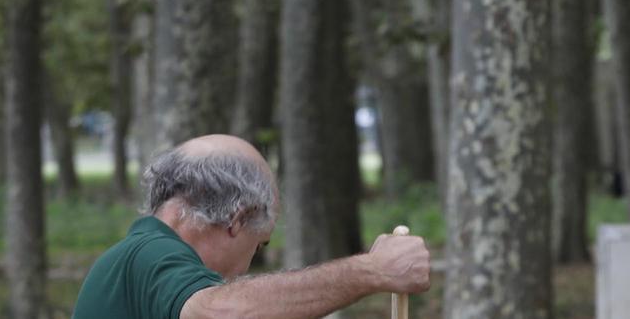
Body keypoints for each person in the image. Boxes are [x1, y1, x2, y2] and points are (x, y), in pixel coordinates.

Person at [72, 134, 431, 319]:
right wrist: (371, 271)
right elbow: (219, 313)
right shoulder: (150, 255)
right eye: (259, 244)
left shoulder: (138, 260)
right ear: (237, 219)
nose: (245, 267)